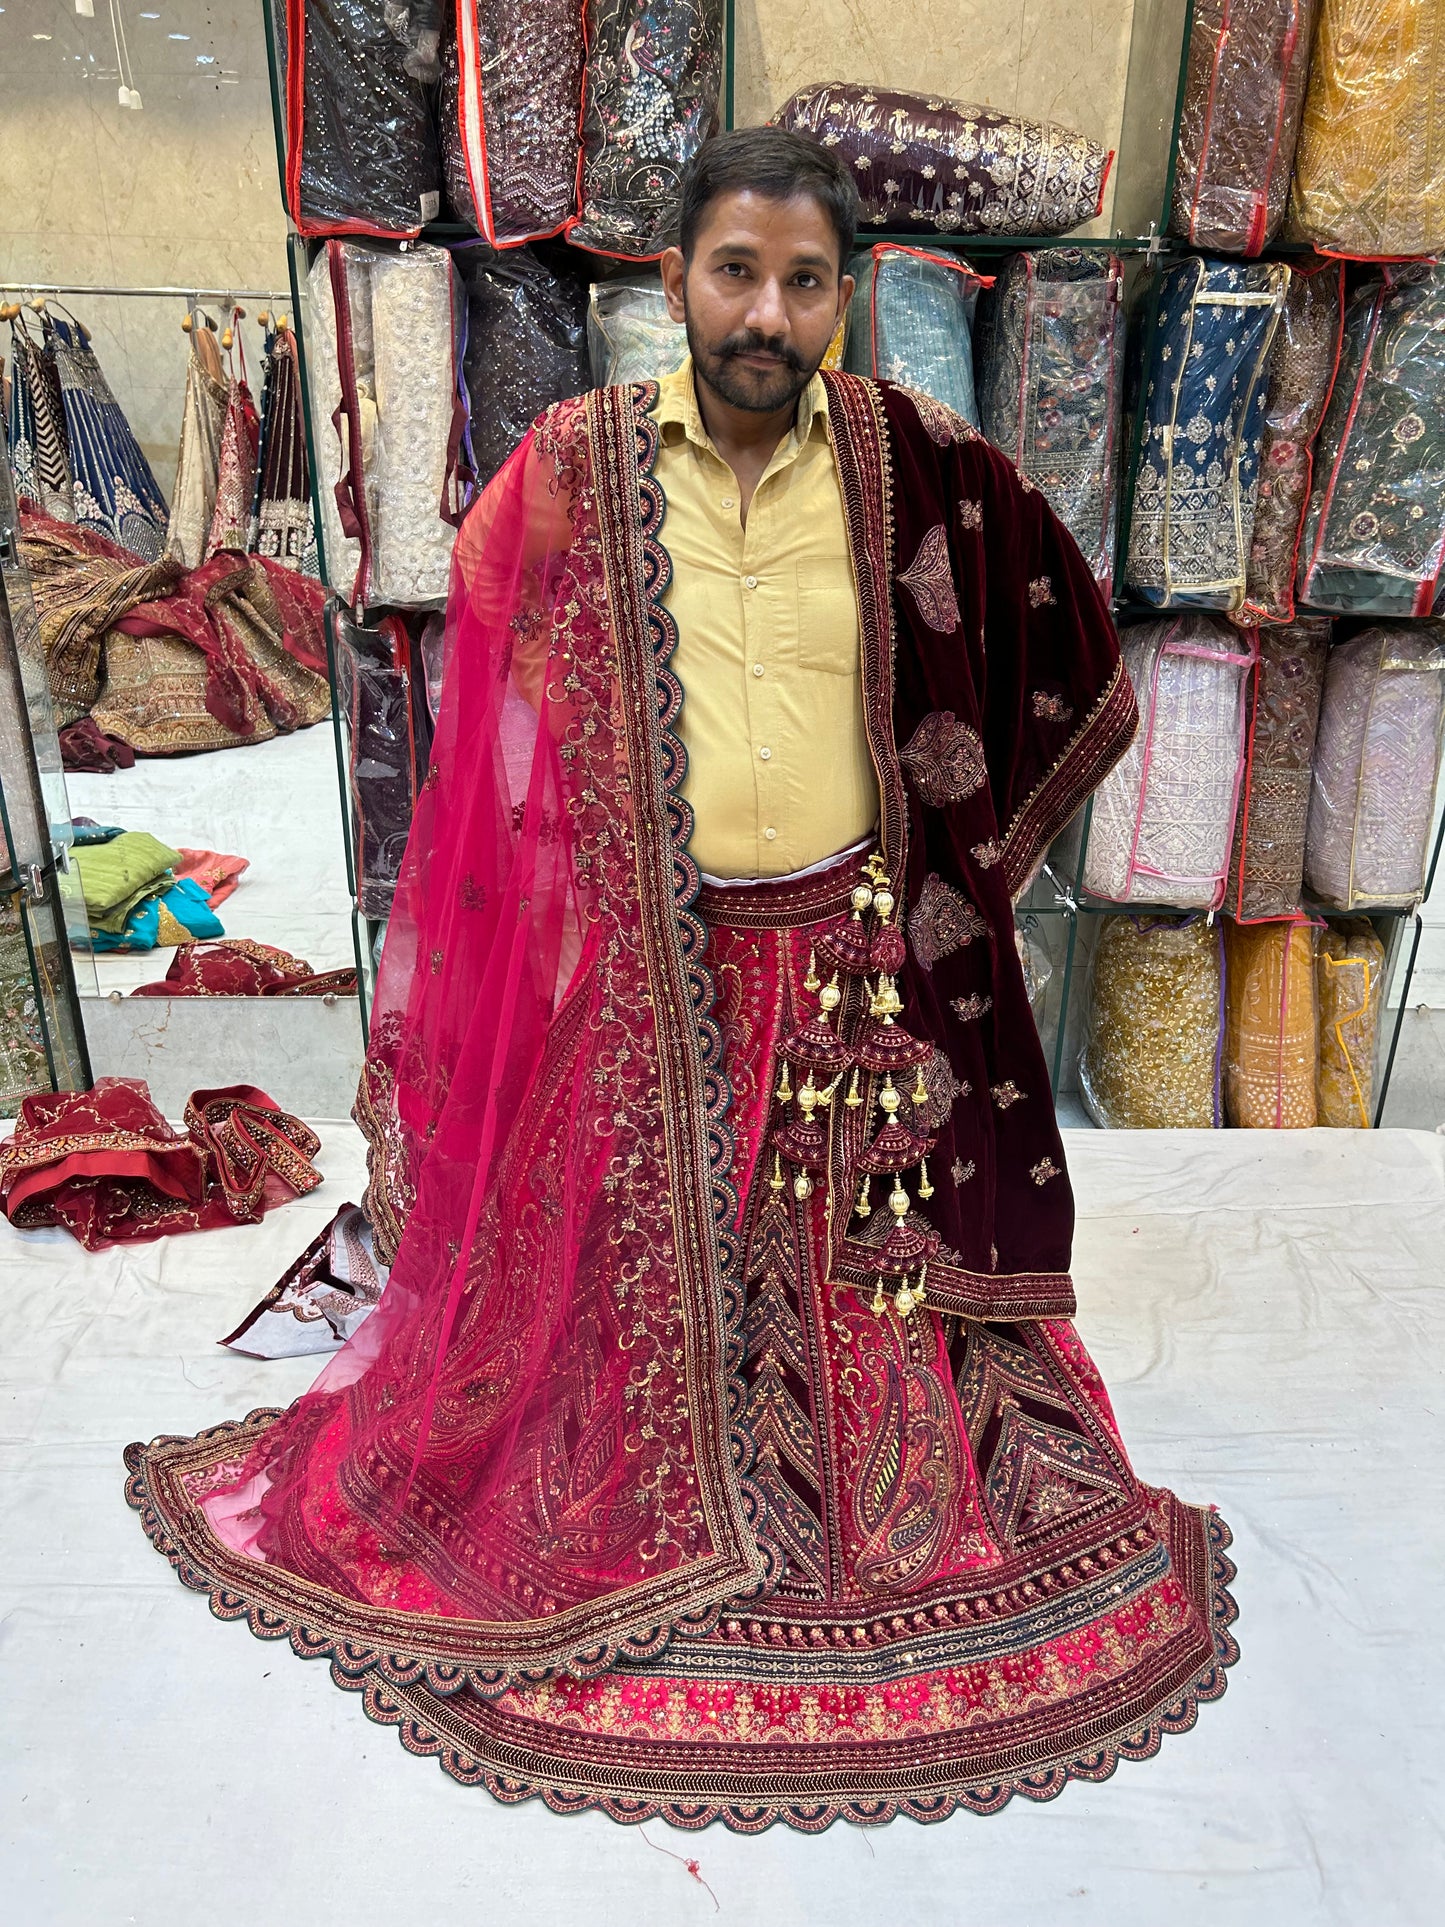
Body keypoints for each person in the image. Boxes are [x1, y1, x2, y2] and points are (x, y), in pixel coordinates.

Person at [127, 128, 1236, 1830]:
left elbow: (1056, 630)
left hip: (864, 984)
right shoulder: (565, 471)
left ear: (844, 300)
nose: (766, 314)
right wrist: (550, 902)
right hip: (653, 973)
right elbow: (489, 717)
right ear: (672, 283)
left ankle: (867, 1515)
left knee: (883, 1301)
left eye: (803, 282)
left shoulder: (918, 464)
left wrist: (959, 861)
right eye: (737, 272)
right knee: (597, 1297)